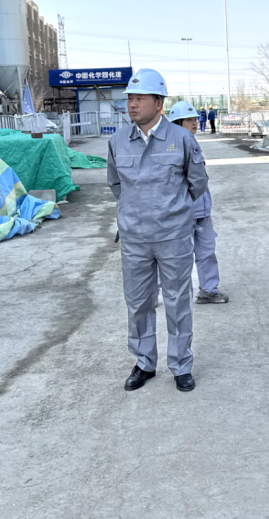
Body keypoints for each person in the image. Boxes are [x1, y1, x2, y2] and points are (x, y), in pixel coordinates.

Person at [108, 69, 208, 394]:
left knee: (178, 301)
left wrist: (173, 212)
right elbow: (115, 184)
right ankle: (144, 363)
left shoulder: (182, 139)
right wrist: (135, 212)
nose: (132, 104)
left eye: (139, 98)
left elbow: (197, 183)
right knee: (138, 302)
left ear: (158, 102)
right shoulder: (117, 141)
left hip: (173, 237)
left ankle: (181, 365)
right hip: (134, 238)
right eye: (130, 98)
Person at [168, 101, 230, 304]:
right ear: (177, 123)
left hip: (201, 210)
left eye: (195, 119)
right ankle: (169, 294)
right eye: (189, 120)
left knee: (206, 251)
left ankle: (209, 290)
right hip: (182, 212)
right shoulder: (171, 148)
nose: (195, 123)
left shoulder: (192, 143)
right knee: (176, 256)